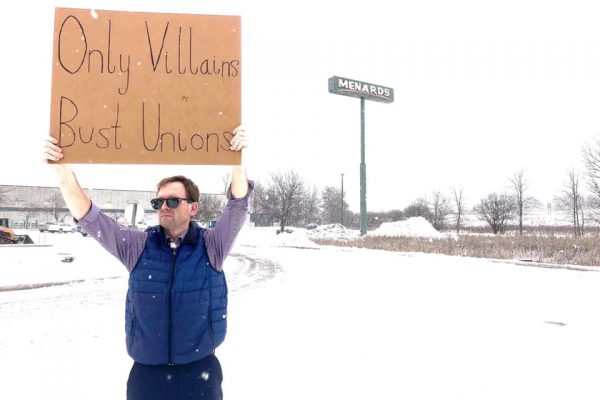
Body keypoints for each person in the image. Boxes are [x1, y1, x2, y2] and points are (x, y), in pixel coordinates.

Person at [43, 126, 253, 400]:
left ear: (193, 207)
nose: (164, 206)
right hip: (147, 376)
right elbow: (89, 217)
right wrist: (62, 172)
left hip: (199, 373)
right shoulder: (137, 246)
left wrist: (237, 164)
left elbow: (237, 205)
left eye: (173, 200)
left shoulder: (212, 245)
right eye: (158, 201)